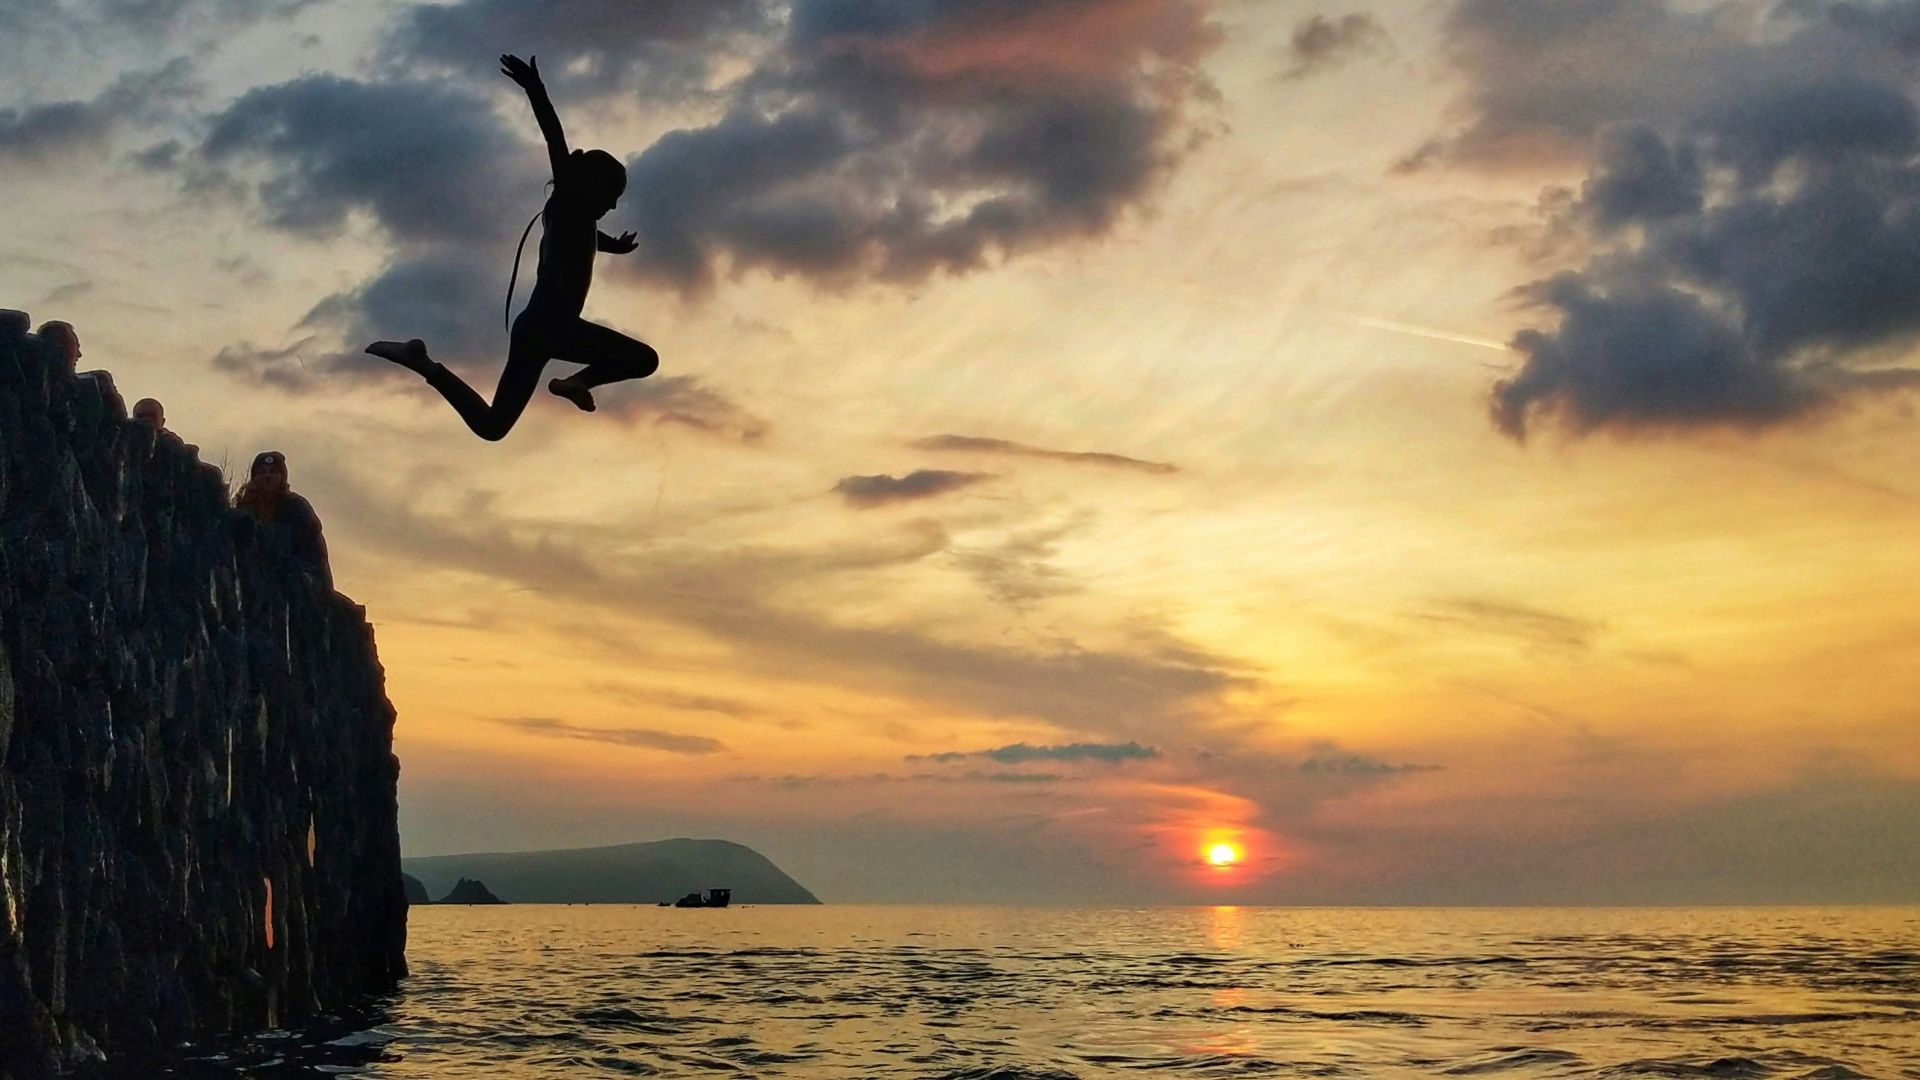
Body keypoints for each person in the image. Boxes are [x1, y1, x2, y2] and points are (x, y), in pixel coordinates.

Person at [366, 53, 659, 441]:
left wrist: (613, 247)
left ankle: (425, 365)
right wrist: (536, 89)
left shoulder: (577, 221)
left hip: (534, 329)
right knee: (644, 359)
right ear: (588, 184)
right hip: (551, 324)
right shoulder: (568, 201)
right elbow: (554, 138)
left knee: (492, 427)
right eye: (612, 195)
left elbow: (581, 242)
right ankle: (577, 382)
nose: (614, 206)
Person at [235, 451, 331, 586]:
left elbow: (314, 557)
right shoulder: (244, 510)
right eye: (261, 472)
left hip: (298, 582)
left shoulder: (297, 507)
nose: (267, 476)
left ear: (282, 477)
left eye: (273, 472)